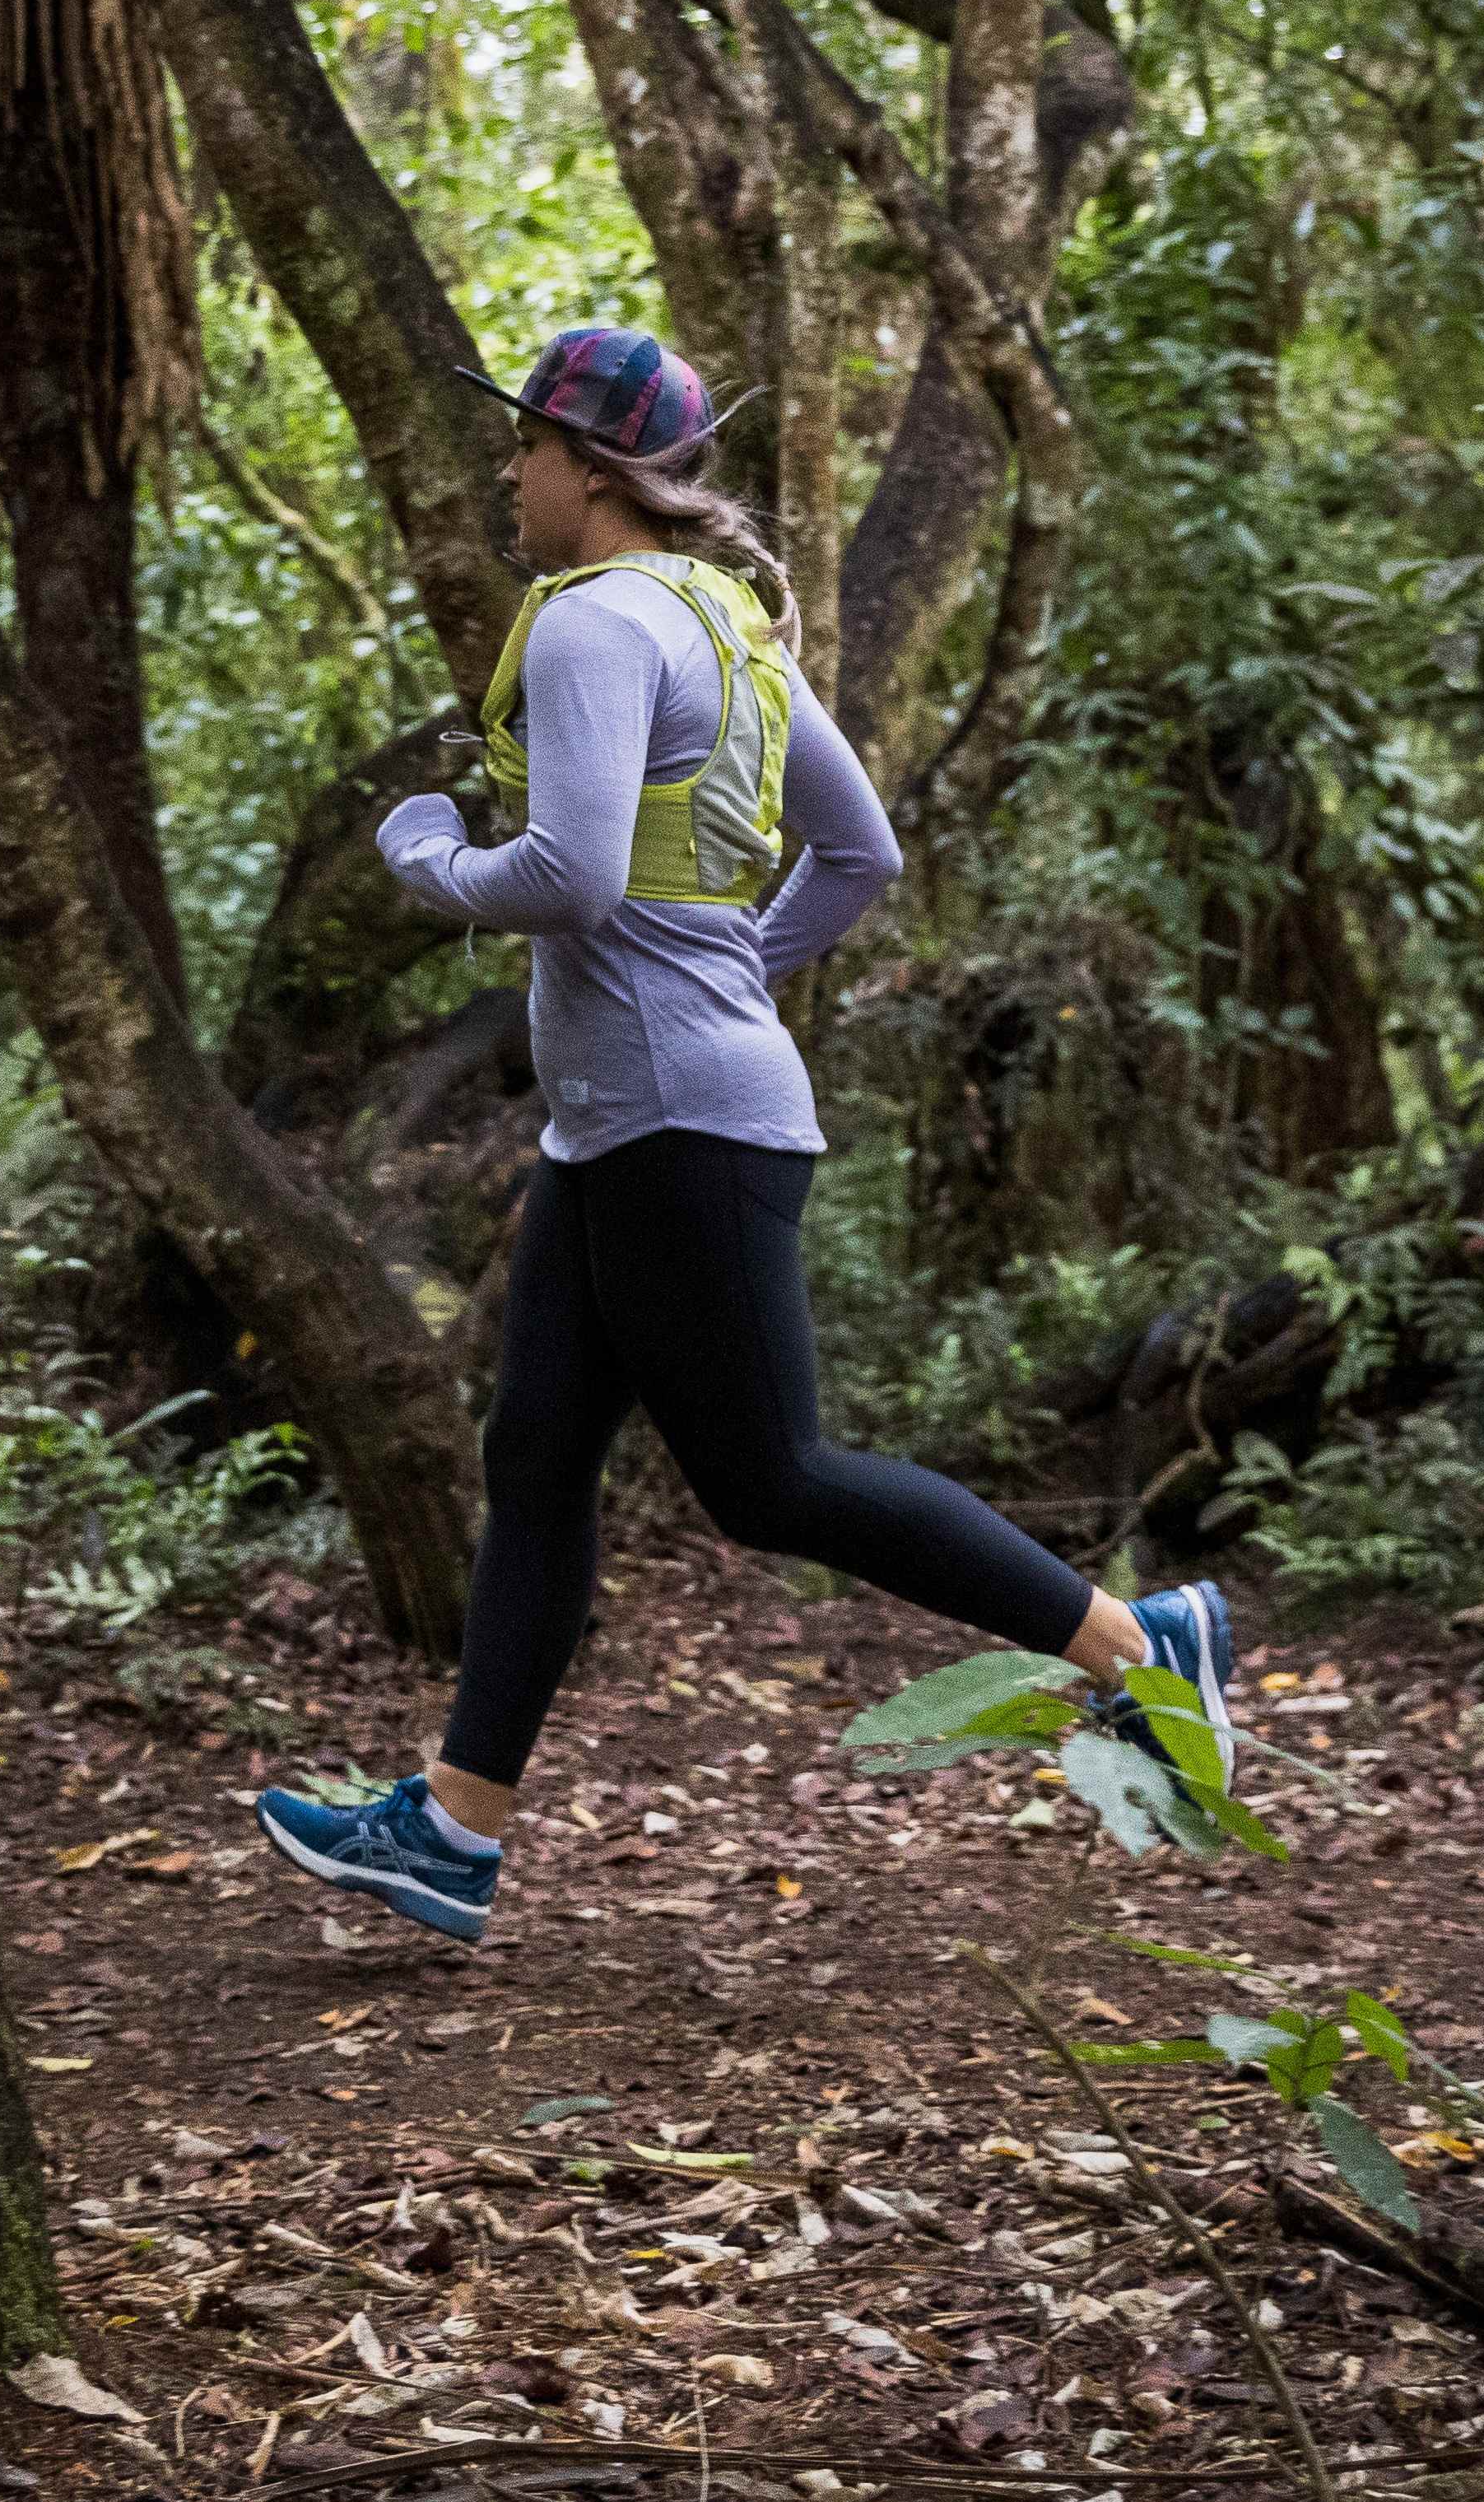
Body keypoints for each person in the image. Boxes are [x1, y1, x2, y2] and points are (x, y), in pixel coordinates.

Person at [256, 325, 1235, 1944]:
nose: (509, 472)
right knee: (540, 1455)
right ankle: (451, 1830)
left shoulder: (590, 630)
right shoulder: (728, 628)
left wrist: (428, 858)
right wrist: (723, 977)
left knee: (774, 1480)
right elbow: (860, 859)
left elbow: (566, 877)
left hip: (674, 1123)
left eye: (526, 447)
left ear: (588, 466)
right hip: (636, 1120)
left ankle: (1142, 1644)